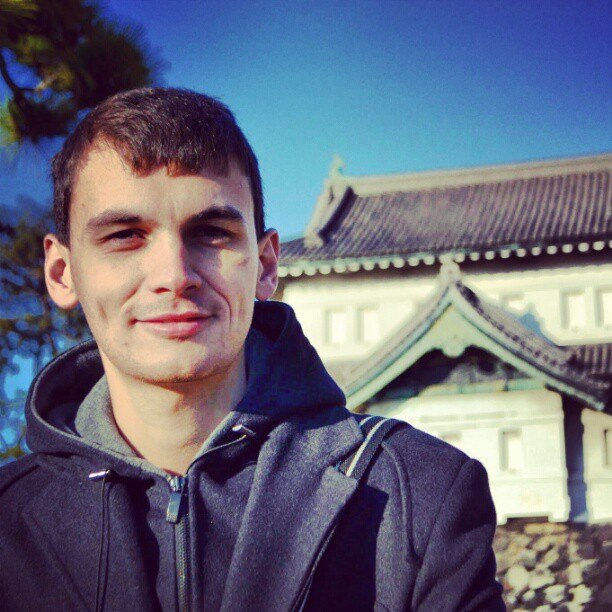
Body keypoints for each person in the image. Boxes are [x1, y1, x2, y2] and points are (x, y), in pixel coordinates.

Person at [0, 87, 504, 611]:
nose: (174, 275)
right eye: (125, 235)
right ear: (62, 272)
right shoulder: (8, 522)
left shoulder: (419, 492)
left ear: (265, 265)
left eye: (210, 233)